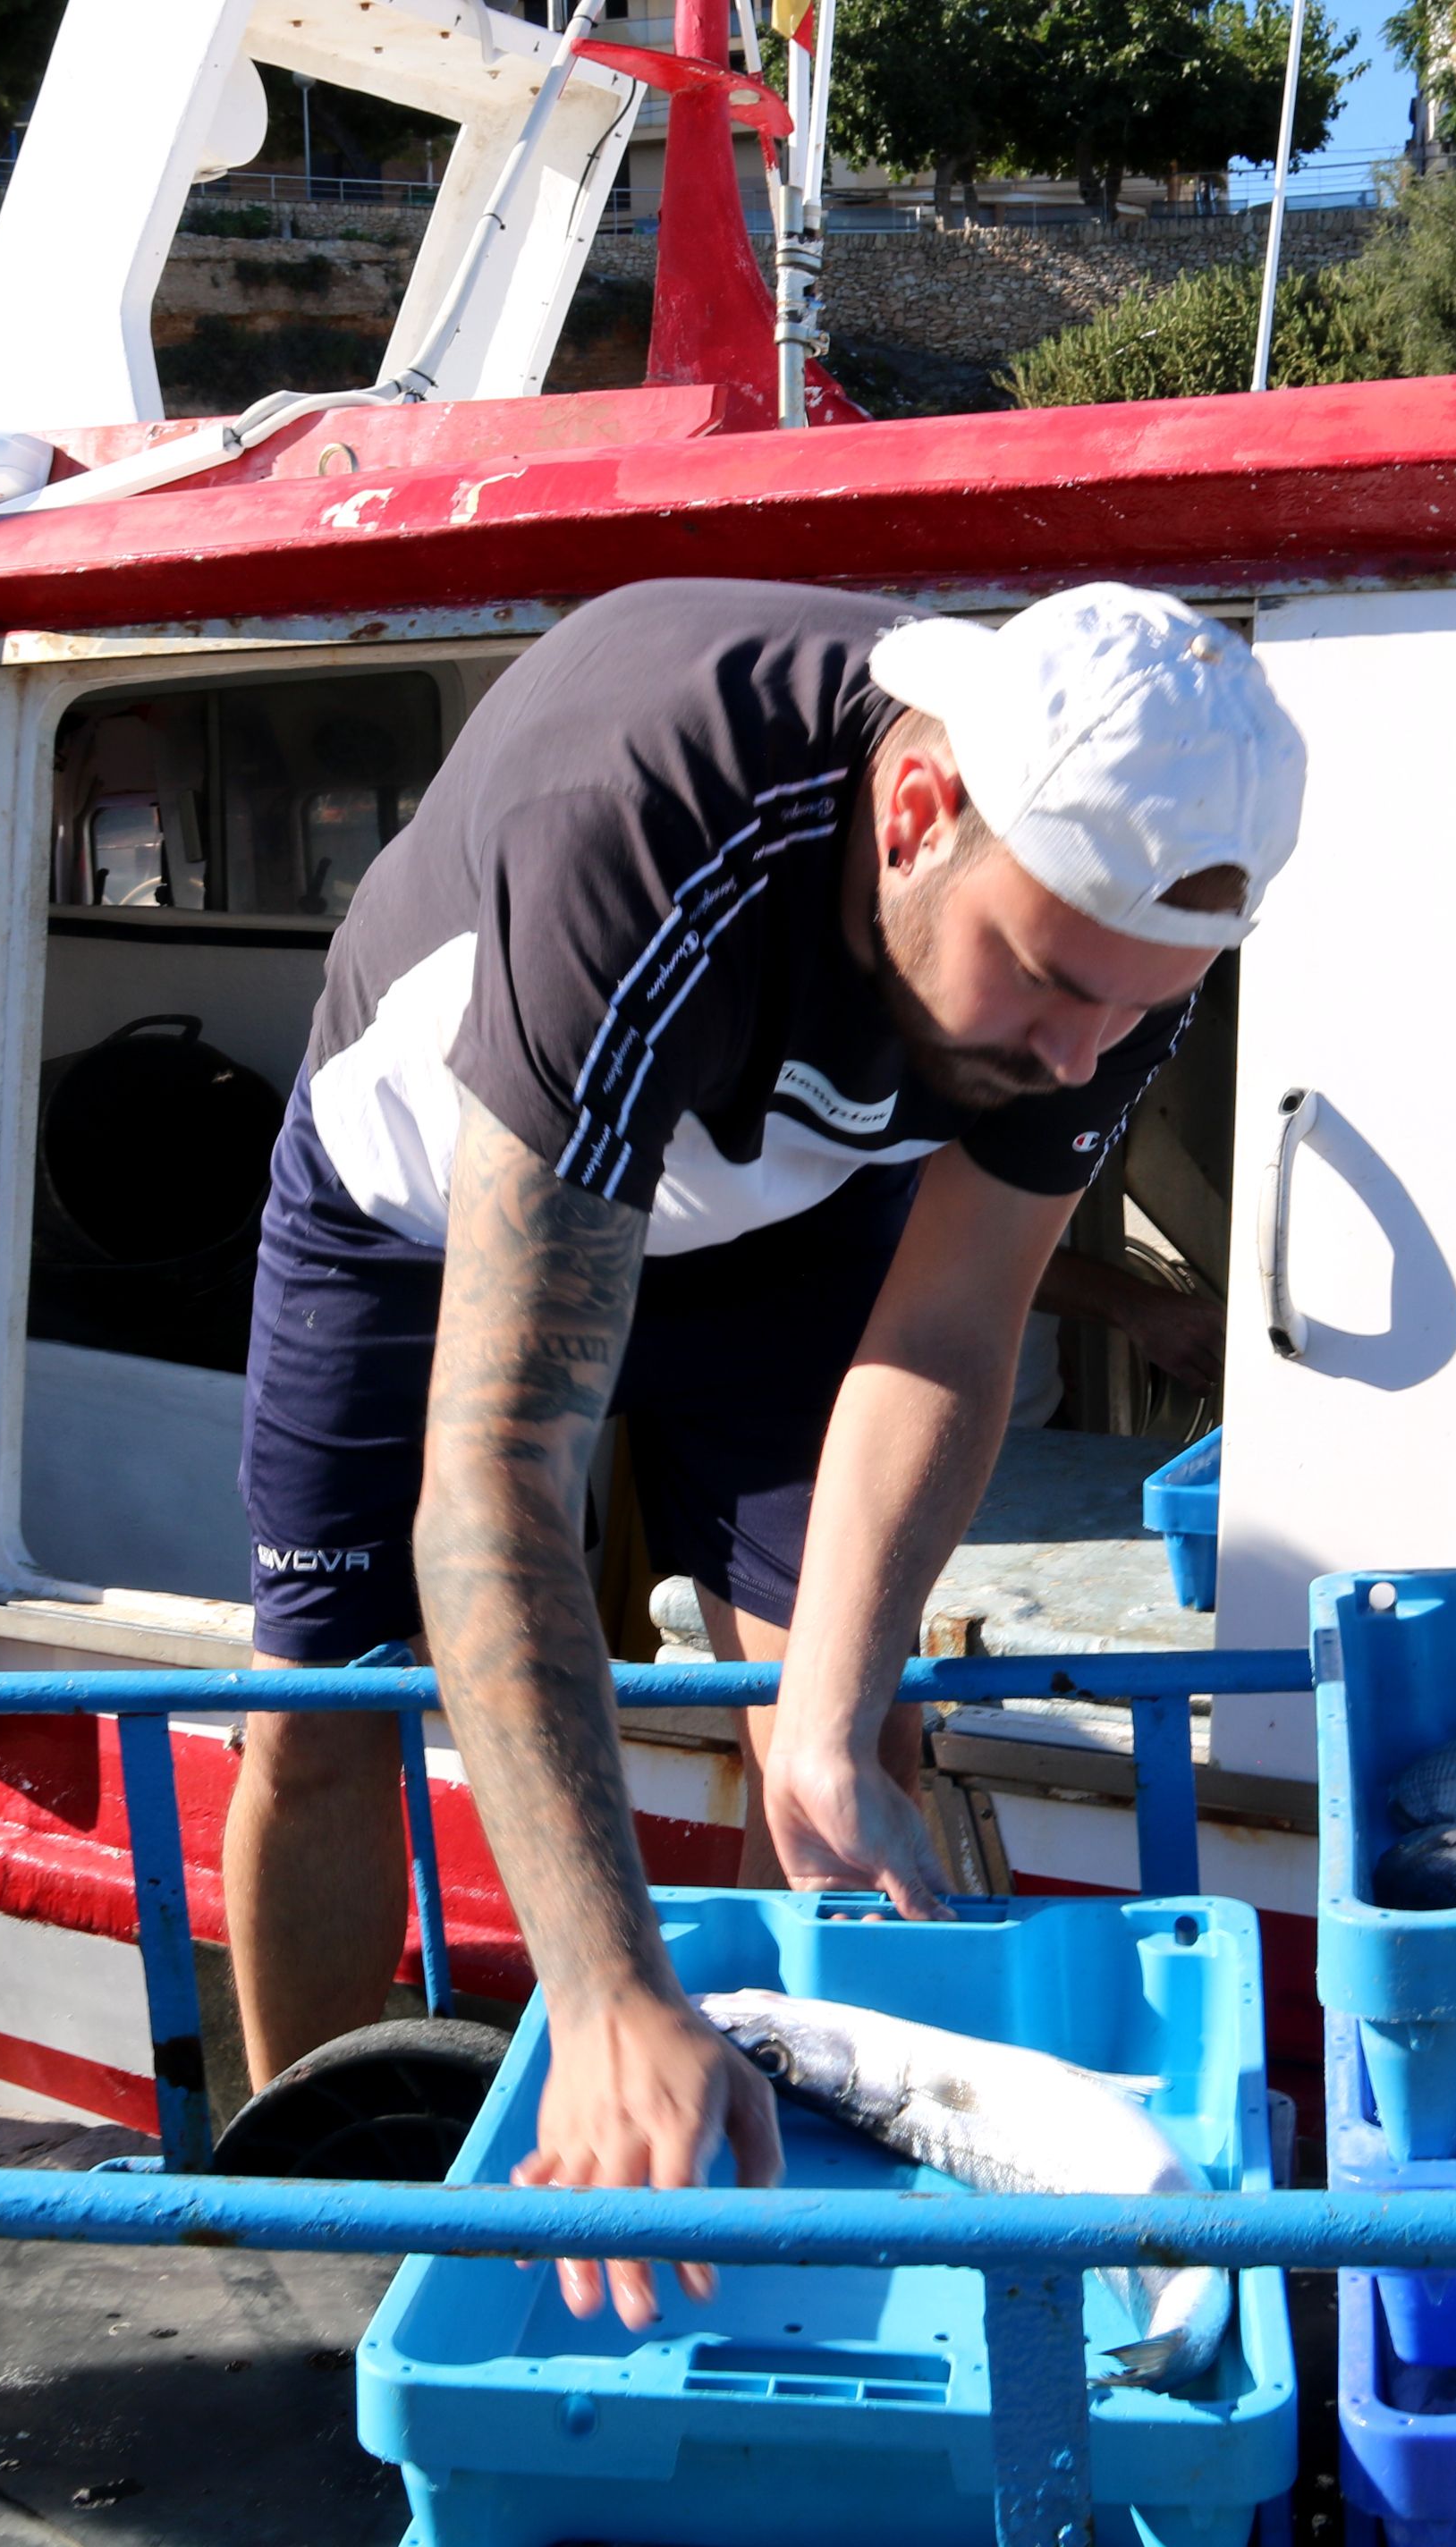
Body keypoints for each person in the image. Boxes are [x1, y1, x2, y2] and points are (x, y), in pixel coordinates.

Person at [224, 578, 1299, 2322]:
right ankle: (315, 2233)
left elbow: (950, 1332)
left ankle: (733, 2156)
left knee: (848, 1727)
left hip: (778, 1210)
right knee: (330, 1706)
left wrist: (815, 1720)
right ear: (917, 809)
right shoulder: (647, 826)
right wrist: (590, 1984)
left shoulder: (1110, 933)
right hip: (416, 1210)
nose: (1076, 1056)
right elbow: (497, 1464)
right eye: (1044, 982)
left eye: (1129, 1010)